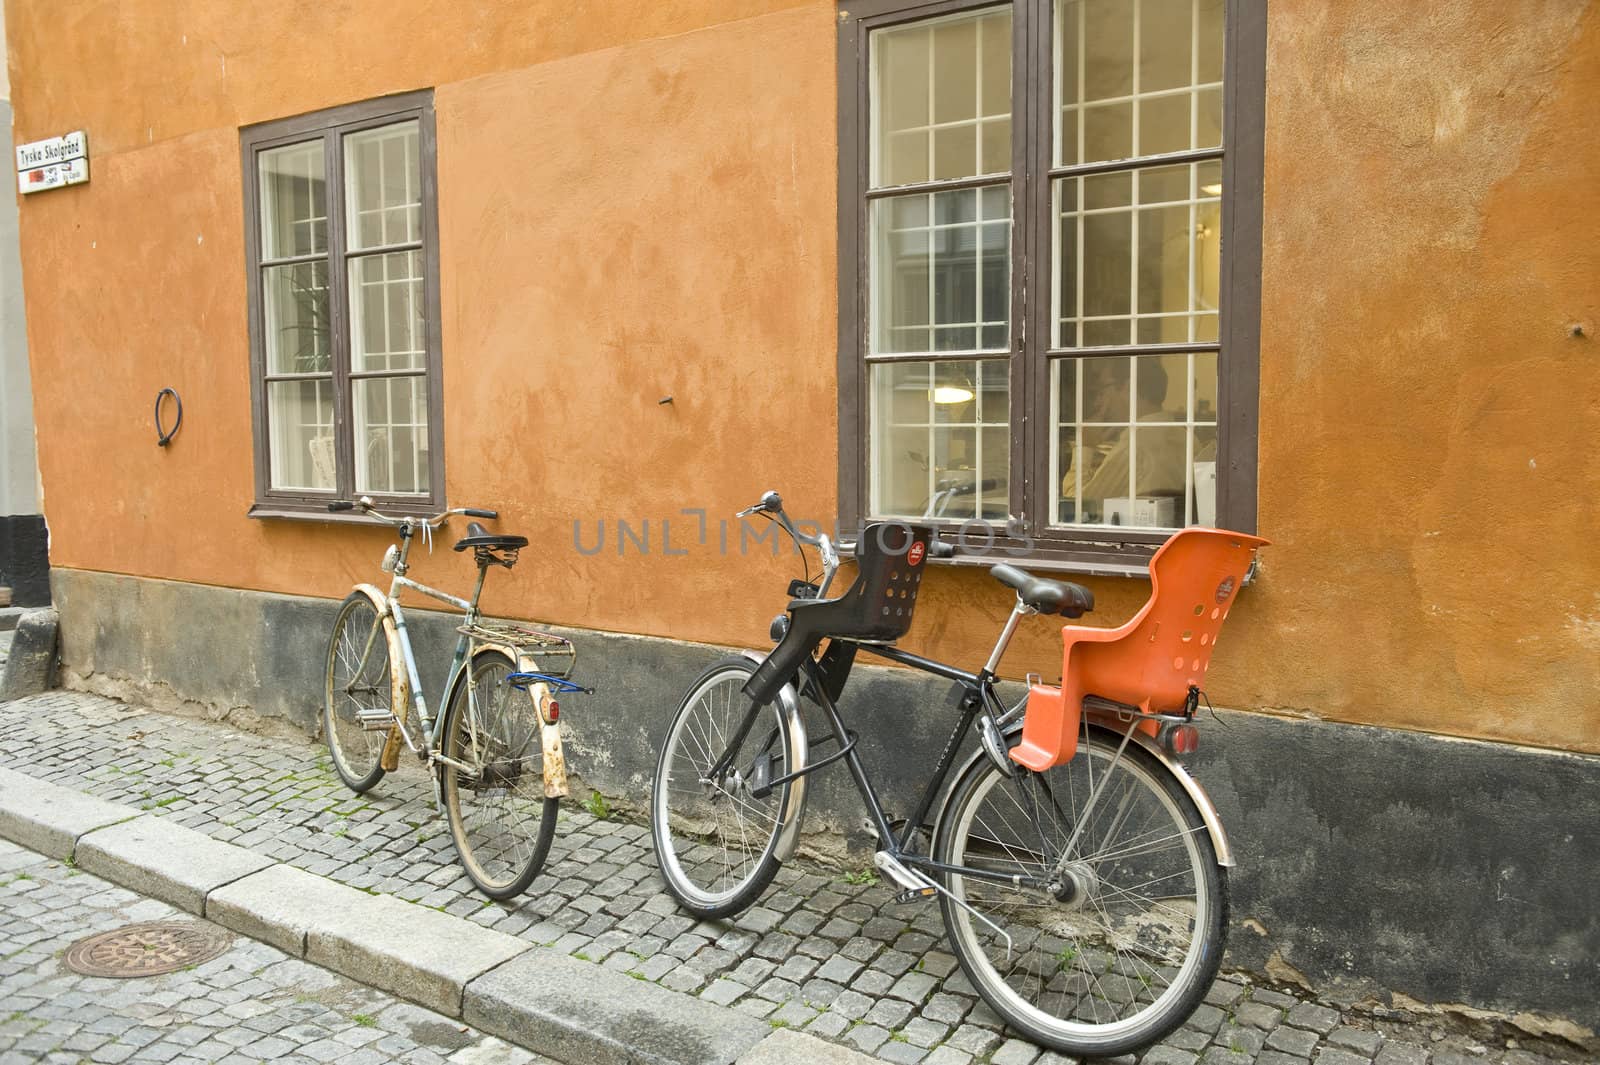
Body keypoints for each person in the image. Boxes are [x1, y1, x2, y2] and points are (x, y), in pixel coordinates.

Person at [1062, 359, 1188, 523]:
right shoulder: (1186, 436)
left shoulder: (1135, 444)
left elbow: (1078, 503)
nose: (1099, 401)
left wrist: (1085, 446)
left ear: (1128, 387)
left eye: (1103, 390)